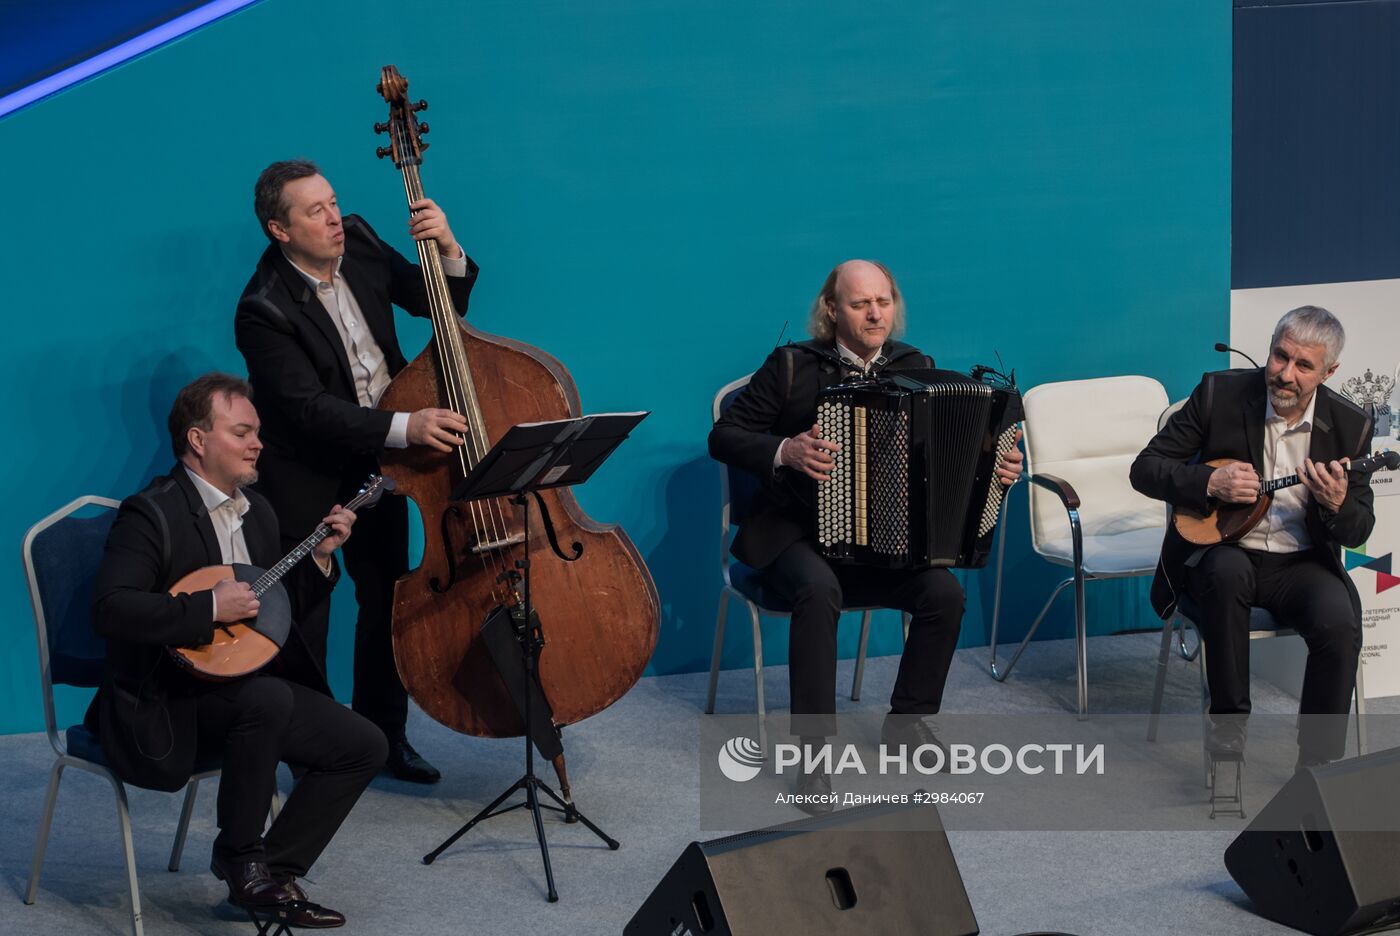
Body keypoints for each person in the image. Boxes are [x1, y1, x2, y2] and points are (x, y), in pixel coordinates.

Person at [707, 259, 1023, 812]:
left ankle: (907, 723)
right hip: (794, 533)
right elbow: (724, 436)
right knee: (817, 590)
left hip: (879, 544)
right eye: (860, 304)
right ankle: (812, 757)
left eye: (883, 301)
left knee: (944, 594)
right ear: (832, 310)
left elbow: (947, 453)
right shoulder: (791, 365)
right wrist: (785, 450)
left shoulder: (917, 366)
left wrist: (994, 465)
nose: (875, 313)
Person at [87, 373, 386, 928]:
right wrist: (206, 608)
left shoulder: (259, 513)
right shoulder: (150, 512)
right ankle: (239, 857)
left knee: (363, 744)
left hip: (237, 686)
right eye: (242, 433)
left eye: (258, 434)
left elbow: (267, 613)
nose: (257, 445)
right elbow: (110, 609)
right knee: (267, 698)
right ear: (198, 440)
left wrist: (320, 559)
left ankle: (271, 873)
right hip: (165, 697)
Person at [235, 159, 479, 783]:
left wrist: (448, 247)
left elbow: (439, 306)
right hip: (308, 471)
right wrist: (407, 427)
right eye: (314, 211)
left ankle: (384, 737)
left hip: (383, 460)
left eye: (333, 202)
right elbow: (309, 410)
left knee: (386, 597)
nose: (333, 218)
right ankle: (310, 752)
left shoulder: (361, 241)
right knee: (306, 612)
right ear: (279, 230)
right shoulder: (263, 309)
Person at [1131, 306, 1374, 768]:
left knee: (1339, 623)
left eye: (1303, 365)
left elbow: (1360, 527)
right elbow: (1145, 469)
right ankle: (1228, 739)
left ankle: (1317, 768)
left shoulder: (1350, 425)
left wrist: (1338, 504)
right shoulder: (1218, 394)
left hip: (1301, 563)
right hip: (1225, 551)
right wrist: (1209, 482)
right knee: (1225, 577)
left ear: (1328, 372)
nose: (1285, 374)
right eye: (1280, 356)